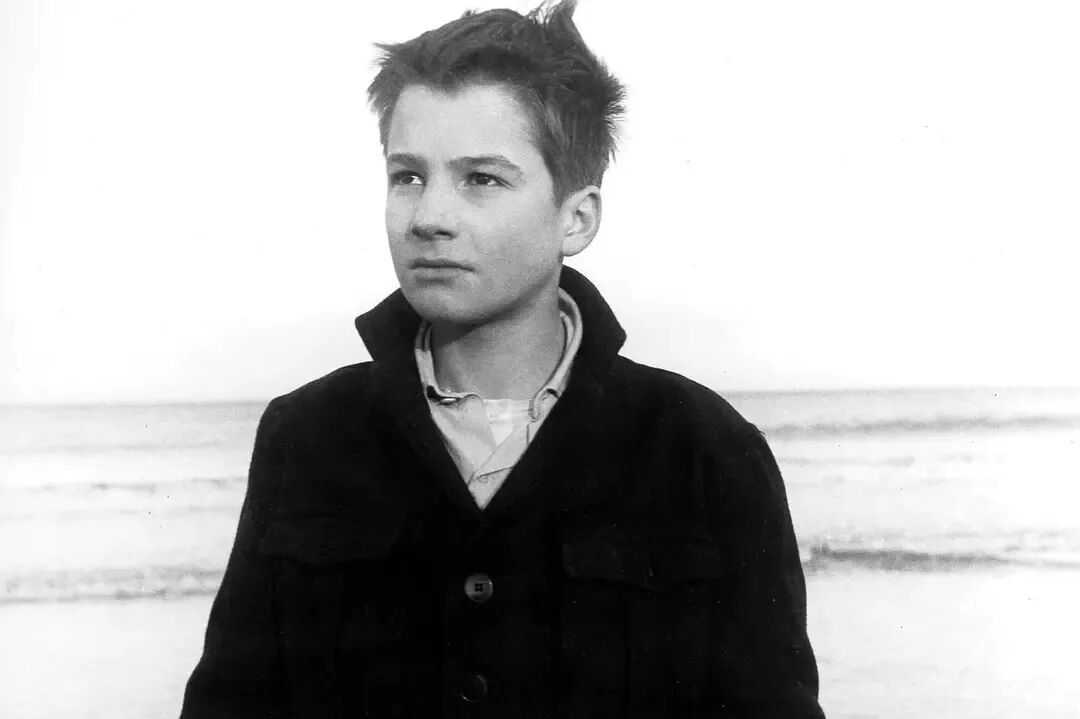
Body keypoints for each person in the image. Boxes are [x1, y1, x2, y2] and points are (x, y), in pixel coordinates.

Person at [180, 2, 825, 717]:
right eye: (407, 176)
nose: (429, 216)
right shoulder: (307, 435)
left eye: (481, 179)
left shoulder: (704, 447)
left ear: (576, 218)